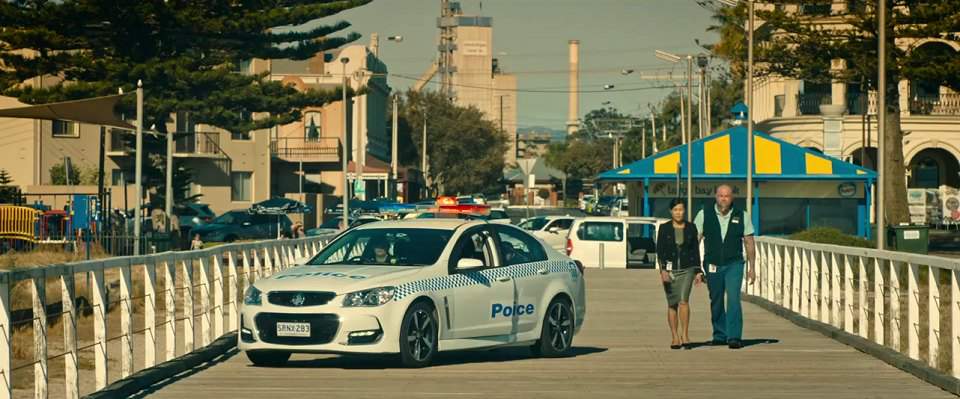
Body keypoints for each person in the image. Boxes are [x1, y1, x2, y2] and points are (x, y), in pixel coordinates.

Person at [694, 184, 756, 349]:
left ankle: (734, 336)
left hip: (734, 263)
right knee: (716, 299)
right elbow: (695, 240)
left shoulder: (742, 215)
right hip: (712, 263)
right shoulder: (703, 214)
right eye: (721, 195)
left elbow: (749, 242)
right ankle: (720, 335)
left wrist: (752, 268)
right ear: (716, 196)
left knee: (734, 298)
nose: (723, 198)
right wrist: (695, 267)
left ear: (732, 198)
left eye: (727, 196)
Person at [656, 198, 703, 350]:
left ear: (685, 211)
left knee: (683, 300)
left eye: (681, 209)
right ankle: (674, 336)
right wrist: (662, 270)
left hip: (687, 268)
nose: (678, 213)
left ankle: (685, 335)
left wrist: (698, 271)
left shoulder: (691, 228)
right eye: (675, 210)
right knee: (672, 304)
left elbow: (695, 250)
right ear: (671, 211)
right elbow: (660, 251)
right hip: (669, 270)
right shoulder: (664, 228)